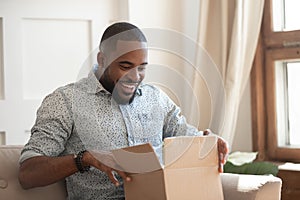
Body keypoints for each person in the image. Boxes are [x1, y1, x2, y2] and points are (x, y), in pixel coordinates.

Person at [18, 22, 229, 200]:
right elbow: (28, 174)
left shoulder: (156, 100)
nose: (135, 76)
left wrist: (209, 142)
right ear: (102, 60)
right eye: (125, 65)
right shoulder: (65, 101)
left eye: (142, 67)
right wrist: (85, 159)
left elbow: (189, 142)